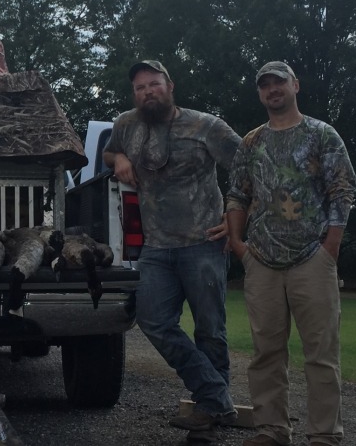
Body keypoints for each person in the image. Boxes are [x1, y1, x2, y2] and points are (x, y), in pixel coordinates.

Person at [103, 60, 241, 433]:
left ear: (170, 85)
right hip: (156, 247)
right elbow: (108, 153)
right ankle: (216, 395)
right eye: (140, 88)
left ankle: (209, 410)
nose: (147, 92)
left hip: (203, 243)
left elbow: (247, 170)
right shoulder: (127, 124)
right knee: (153, 321)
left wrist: (235, 220)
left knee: (210, 329)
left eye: (154, 84)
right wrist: (121, 158)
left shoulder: (205, 125)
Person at [226, 61, 356, 446]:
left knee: (321, 354)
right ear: (260, 93)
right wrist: (238, 244)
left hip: (312, 259)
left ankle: (324, 435)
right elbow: (236, 192)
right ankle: (271, 430)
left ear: (295, 85)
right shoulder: (251, 142)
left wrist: (330, 248)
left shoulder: (321, 135)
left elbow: (342, 189)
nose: (272, 89)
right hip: (261, 261)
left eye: (279, 82)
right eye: (265, 85)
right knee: (265, 352)